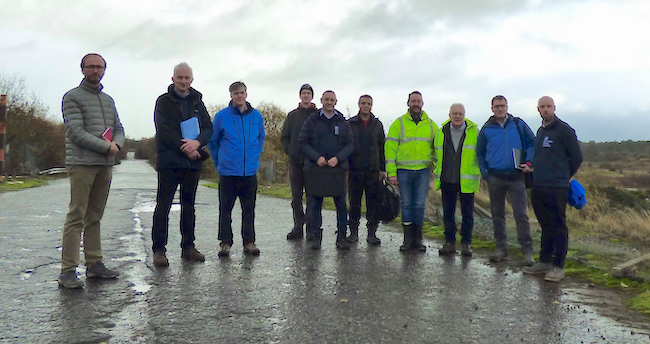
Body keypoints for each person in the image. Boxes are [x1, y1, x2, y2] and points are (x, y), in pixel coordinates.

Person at [58, 53, 125, 289]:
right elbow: (75, 132)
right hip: (82, 163)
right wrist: (108, 147)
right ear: (82, 69)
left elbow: (118, 127)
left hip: (104, 165)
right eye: (91, 67)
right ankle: (68, 270)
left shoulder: (108, 100)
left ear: (105, 70)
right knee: (77, 215)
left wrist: (117, 143)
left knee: (95, 216)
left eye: (100, 67)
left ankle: (94, 263)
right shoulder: (72, 97)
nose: (96, 70)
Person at [151, 62, 213, 267]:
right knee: (164, 206)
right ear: (173, 79)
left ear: (192, 80)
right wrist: (185, 147)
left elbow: (207, 128)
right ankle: (159, 250)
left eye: (187, 78)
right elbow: (164, 130)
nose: (183, 82)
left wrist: (197, 143)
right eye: (180, 78)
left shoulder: (197, 102)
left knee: (189, 206)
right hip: (170, 161)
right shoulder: (163, 101)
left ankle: (188, 247)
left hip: (193, 163)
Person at [523, 96, 583, 282]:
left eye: (549, 106)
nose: (546, 109)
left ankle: (558, 266)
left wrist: (564, 175)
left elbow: (577, 157)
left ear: (554, 108)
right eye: (542, 107)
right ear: (538, 109)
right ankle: (545, 262)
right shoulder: (540, 131)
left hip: (557, 186)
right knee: (545, 225)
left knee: (558, 226)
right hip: (539, 185)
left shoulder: (564, 130)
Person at [476, 95, 536, 265]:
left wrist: (530, 162)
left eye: (502, 106)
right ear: (492, 108)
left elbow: (533, 143)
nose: (500, 109)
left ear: (507, 107)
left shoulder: (518, 124)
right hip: (495, 178)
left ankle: (527, 252)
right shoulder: (486, 129)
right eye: (497, 106)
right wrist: (485, 173)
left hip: (517, 177)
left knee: (521, 215)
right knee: (497, 215)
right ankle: (501, 250)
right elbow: (479, 153)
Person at [208, 81, 265, 257]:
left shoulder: (256, 116)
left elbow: (261, 138)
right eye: (236, 93)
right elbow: (213, 142)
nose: (239, 96)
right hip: (228, 173)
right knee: (225, 210)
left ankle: (249, 242)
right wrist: (219, 163)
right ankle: (225, 243)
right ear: (231, 95)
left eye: (242, 93)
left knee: (249, 210)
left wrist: (255, 157)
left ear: (246, 94)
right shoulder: (221, 117)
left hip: (249, 173)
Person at [298, 90, 354, 250]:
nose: (329, 102)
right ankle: (315, 235)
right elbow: (302, 142)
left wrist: (338, 158)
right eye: (326, 99)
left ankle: (342, 236)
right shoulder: (311, 120)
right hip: (316, 168)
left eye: (332, 100)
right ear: (321, 101)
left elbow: (350, 144)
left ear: (336, 102)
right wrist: (317, 158)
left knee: (342, 205)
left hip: (337, 169)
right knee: (315, 204)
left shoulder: (343, 122)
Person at [385, 91, 438, 252]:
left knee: (419, 205)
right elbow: (390, 148)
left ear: (422, 104)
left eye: (418, 101)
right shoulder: (398, 123)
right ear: (408, 103)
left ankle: (418, 239)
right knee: (407, 204)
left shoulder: (431, 125)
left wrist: (436, 167)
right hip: (403, 171)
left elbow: (438, 148)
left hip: (422, 171)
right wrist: (391, 172)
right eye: (413, 101)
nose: (416, 104)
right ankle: (408, 240)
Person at [434, 103, 480, 257]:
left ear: (464, 115)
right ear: (449, 115)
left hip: (466, 181)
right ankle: (449, 243)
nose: (458, 116)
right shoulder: (441, 132)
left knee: (468, 214)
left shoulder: (474, 132)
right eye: (455, 113)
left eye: (460, 113)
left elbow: (480, 154)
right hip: (447, 179)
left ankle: (466, 244)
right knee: (448, 213)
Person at [347, 94, 386, 245]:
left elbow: (382, 148)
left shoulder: (377, 124)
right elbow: (346, 145)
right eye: (363, 103)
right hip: (354, 170)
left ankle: (372, 233)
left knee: (373, 203)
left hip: (373, 170)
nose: (366, 106)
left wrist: (383, 169)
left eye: (368, 103)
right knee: (354, 202)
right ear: (358, 104)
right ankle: (353, 233)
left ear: (372, 105)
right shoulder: (350, 123)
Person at [282, 84, 318, 241]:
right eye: (303, 93)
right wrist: (290, 151)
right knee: (296, 196)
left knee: (312, 196)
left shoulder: (317, 115)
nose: (306, 95)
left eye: (308, 93)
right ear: (300, 95)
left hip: (313, 162)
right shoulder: (292, 116)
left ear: (312, 96)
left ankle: (311, 227)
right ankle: (298, 226)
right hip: (295, 162)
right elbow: (285, 137)